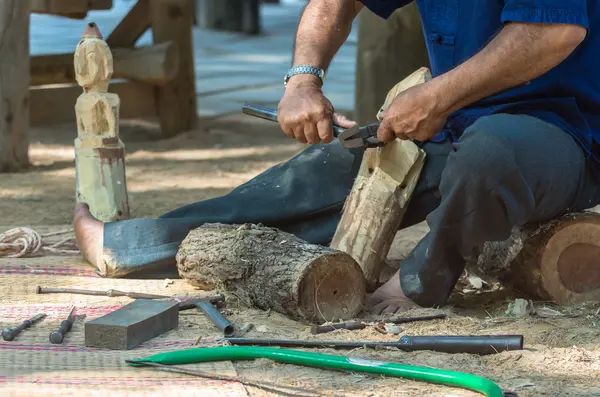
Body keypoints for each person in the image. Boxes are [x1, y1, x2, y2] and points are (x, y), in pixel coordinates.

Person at [75, 0, 600, 314]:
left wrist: (437, 96)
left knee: (491, 156)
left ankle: (424, 278)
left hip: (566, 131)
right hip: (456, 117)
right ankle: (132, 244)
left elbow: (552, 31)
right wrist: (303, 79)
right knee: (324, 172)